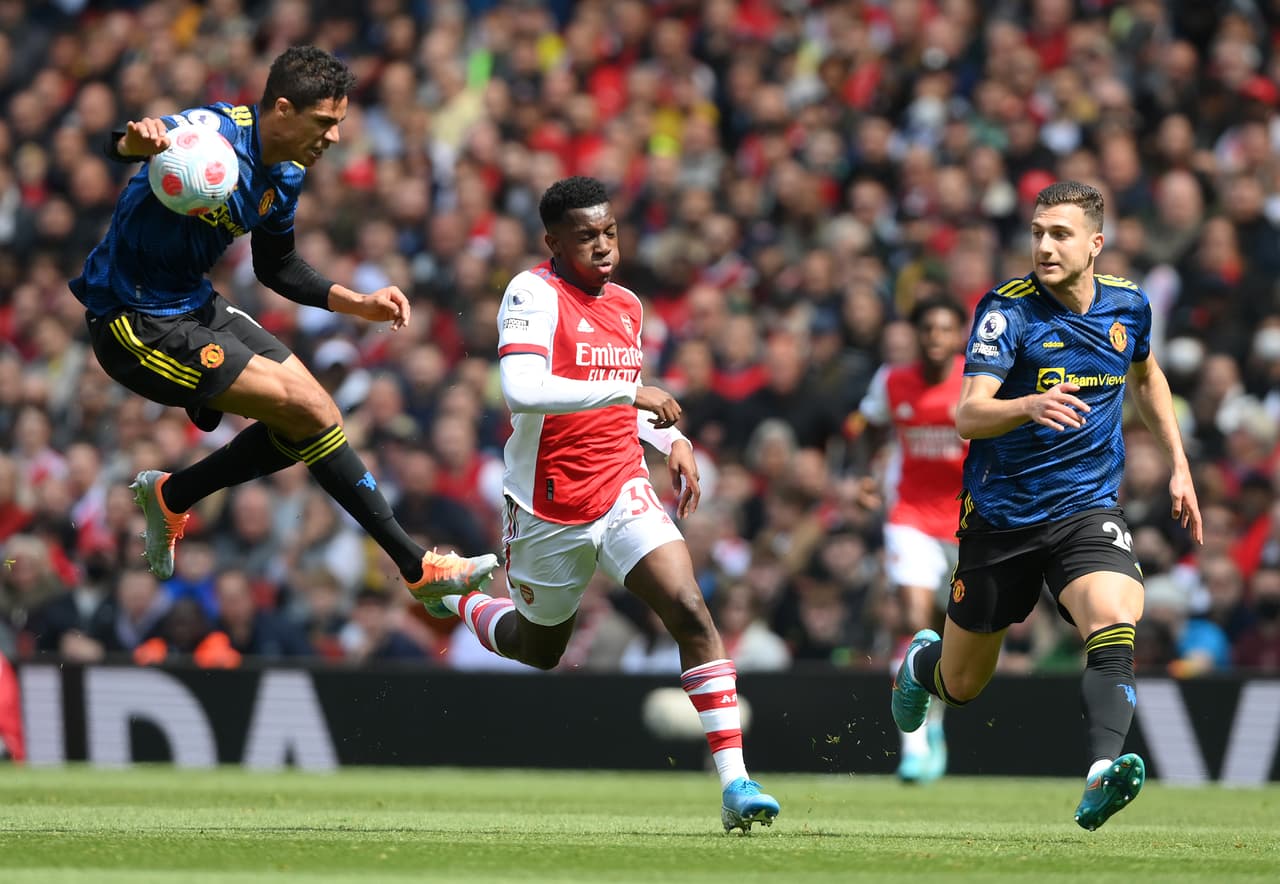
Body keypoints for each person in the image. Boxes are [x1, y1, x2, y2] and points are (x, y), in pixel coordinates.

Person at [407, 176, 779, 833]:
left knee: (690, 608)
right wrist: (631, 394)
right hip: (547, 504)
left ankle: (735, 783)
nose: (603, 245)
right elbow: (523, 389)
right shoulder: (531, 293)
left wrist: (672, 440)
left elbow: (622, 402)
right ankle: (457, 596)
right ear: (554, 242)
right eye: (586, 236)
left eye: (609, 232)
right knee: (538, 649)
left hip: (623, 486)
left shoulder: (628, 305)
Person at [67, 46, 495, 601]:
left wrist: (356, 302)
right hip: (133, 321)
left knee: (321, 417)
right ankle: (419, 569)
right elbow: (125, 144)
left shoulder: (287, 172)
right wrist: (135, 143)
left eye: (339, 123)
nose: (334, 137)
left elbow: (277, 265)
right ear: (285, 110)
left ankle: (174, 495)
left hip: (194, 304)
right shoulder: (212, 133)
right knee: (310, 411)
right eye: (325, 122)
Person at [890, 181, 1203, 830]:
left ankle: (1100, 773)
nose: (1044, 246)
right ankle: (920, 666)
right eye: (1037, 233)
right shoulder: (1007, 312)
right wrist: (1028, 404)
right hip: (1001, 518)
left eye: (1060, 234)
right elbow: (968, 415)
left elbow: (1146, 375)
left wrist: (1178, 462)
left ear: (1096, 243)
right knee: (962, 686)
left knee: (1114, 615)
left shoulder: (1128, 306)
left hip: (1086, 508)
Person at [857, 296, 968, 783]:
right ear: (917, 335)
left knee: (950, 634)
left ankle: (935, 719)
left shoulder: (977, 381)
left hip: (969, 522)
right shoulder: (891, 381)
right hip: (910, 516)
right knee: (913, 619)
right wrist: (867, 474)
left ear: (959, 336)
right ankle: (914, 744)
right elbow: (869, 425)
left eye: (945, 329)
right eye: (928, 329)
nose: (935, 337)